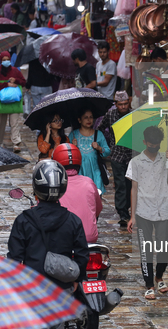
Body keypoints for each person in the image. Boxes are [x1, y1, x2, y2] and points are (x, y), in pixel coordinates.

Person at [7, 160, 88, 329]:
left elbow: (14, 260)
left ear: (36, 190)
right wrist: (76, 280)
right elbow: (82, 255)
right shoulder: (73, 221)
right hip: (61, 292)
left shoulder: (23, 221)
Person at [126, 126, 168, 300]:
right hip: (143, 211)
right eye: (151, 144)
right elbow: (134, 189)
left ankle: (159, 276)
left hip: (163, 209)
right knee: (145, 250)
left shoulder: (165, 158)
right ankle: (149, 284)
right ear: (145, 142)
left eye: (157, 144)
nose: (154, 147)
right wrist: (132, 216)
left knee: (163, 248)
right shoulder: (136, 162)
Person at [95, 91, 133, 226]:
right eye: (120, 104)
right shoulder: (111, 115)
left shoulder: (133, 115)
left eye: (125, 104)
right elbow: (100, 128)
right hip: (117, 154)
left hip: (131, 155)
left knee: (130, 185)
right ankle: (122, 212)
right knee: (120, 184)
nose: (123, 107)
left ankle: (128, 208)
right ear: (115, 104)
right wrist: (105, 144)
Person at [52, 143, 102, 243]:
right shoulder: (88, 182)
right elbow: (98, 209)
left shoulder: (53, 185)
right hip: (89, 238)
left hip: (62, 239)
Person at [0, 51, 26, 152]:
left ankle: (16, 143)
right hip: (1, 102)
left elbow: (23, 82)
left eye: (8, 60)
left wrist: (16, 80)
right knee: (1, 122)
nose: (6, 61)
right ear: (1, 60)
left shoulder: (15, 71)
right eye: (4, 60)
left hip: (14, 102)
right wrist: (7, 84)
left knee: (14, 122)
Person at [69, 107, 110, 194]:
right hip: (80, 172)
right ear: (79, 120)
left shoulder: (98, 134)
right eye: (85, 117)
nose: (89, 120)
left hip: (95, 172)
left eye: (91, 117)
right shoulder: (73, 135)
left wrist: (99, 148)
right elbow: (67, 156)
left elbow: (107, 152)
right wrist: (73, 147)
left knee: (96, 196)